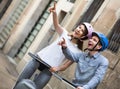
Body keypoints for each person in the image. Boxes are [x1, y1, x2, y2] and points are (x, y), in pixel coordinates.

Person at [13, 2, 94, 89]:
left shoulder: (77, 51)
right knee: (19, 83)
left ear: (83, 37)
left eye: (81, 31)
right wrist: (54, 13)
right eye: (79, 27)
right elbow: (56, 25)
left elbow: (65, 65)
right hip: (38, 59)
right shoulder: (64, 34)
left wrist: (58, 68)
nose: (78, 30)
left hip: (49, 69)